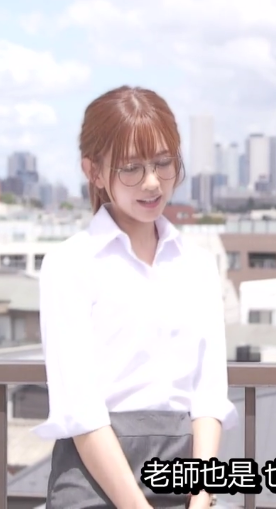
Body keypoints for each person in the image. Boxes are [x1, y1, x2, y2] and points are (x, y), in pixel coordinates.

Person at [34, 85, 237, 509]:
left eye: (163, 163)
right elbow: (81, 408)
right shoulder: (69, 264)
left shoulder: (197, 265)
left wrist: (202, 497)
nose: (152, 182)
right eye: (131, 168)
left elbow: (208, 395)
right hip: (95, 481)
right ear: (93, 171)